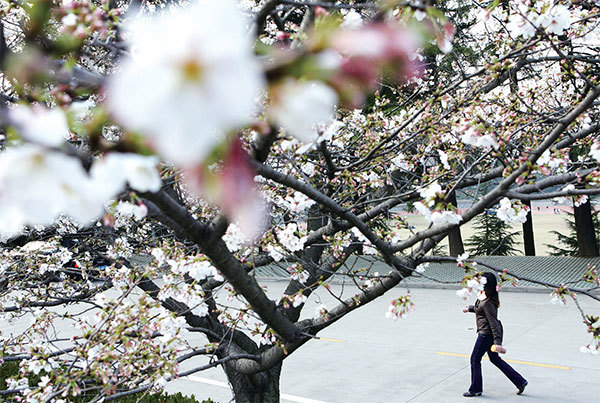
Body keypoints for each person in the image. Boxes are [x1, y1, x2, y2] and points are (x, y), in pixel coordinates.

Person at [462, 272, 528, 397]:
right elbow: (480, 309)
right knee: (495, 359)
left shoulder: (488, 302)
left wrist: (498, 343)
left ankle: (475, 389)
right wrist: (470, 308)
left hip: (485, 335)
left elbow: (495, 323)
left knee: (475, 359)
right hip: (486, 334)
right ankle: (520, 381)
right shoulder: (485, 297)